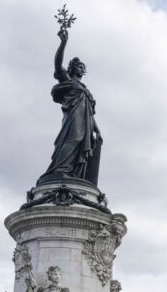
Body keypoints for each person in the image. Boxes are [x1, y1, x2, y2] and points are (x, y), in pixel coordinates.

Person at [39, 27, 103, 186]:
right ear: (73, 68)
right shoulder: (67, 80)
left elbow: (90, 114)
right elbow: (57, 63)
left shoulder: (85, 90)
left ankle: (73, 173)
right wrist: (63, 43)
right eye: (79, 66)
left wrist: (97, 130)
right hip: (73, 118)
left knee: (81, 142)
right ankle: (61, 170)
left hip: (85, 122)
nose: (82, 68)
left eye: (83, 67)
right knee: (74, 138)